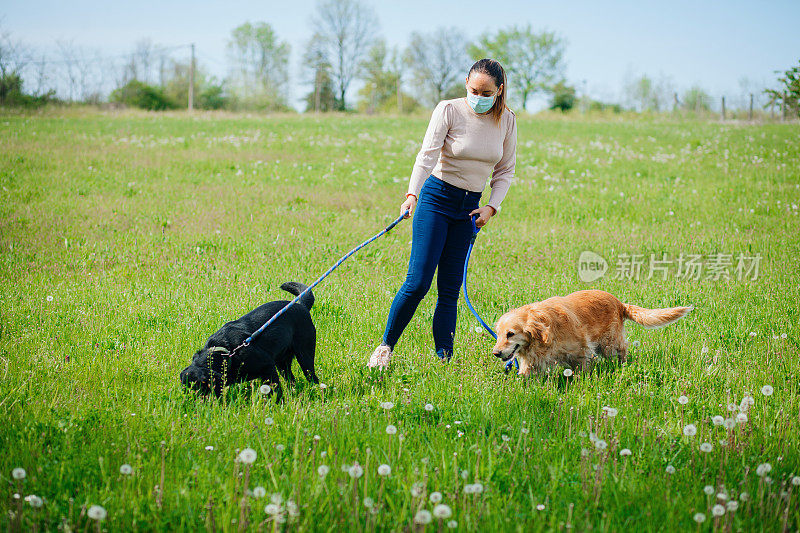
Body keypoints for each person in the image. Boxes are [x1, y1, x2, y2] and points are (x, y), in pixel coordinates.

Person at [367, 58, 518, 369]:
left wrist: (491, 207)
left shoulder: (508, 121)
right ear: (466, 84)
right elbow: (427, 155)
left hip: (470, 210)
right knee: (418, 282)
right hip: (437, 199)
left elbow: (505, 170)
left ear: (499, 91)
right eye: (473, 89)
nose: (478, 96)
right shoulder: (448, 109)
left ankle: (444, 359)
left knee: (449, 289)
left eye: (486, 92)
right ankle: (384, 348)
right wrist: (412, 194)